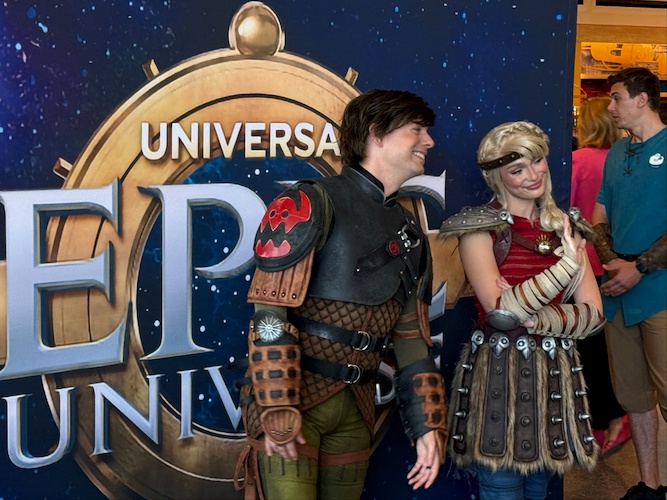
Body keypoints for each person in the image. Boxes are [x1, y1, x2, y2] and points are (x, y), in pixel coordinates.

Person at [233, 89, 448, 500]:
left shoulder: (411, 235)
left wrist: (427, 425)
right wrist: (277, 403)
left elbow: (410, 341)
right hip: (294, 405)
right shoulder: (309, 201)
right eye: (417, 130)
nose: (429, 141)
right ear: (377, 134)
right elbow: (269, 314)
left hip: (356, 412)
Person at [440, 121, 604, 500]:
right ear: (497, 176)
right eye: (517, 169)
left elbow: (595, 315)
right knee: (501, 487)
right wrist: (565, 268)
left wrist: (539, 317)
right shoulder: (479, 228)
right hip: (499, 376)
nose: (533, 175)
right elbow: (501, 313)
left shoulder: (565, 227)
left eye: (537, 161)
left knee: (539, 488)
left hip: (554, 378)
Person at [591, 67, 667, 500]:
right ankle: (650, 487)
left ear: (642, 99)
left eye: (617, 97)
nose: (611, 107)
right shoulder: (617, 151)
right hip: (617, 291)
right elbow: (600, 215)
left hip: (660, 290)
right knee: (633, 397)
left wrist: (638, 267)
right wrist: (611, 260)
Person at [571, 96, 630, 458]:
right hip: (618, 263)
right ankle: (617, 415)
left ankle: (602, 419)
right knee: (612, 348)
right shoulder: (622, 161)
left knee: (586, 349)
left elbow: (565, 211)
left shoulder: (578, 161)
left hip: (583, 266)